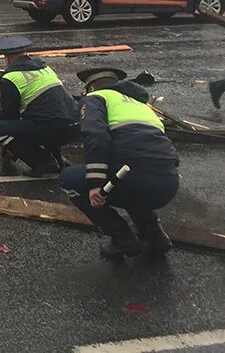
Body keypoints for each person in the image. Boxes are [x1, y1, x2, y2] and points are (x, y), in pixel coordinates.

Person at [60, 68, 180, 260]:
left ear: (90, 87)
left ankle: (121, 238)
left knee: (69, 179)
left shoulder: (96, 98)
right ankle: (154, 234)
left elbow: (96, 136)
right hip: (168, 183)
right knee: (127, 175)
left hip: (134, 178)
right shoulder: (140, 105)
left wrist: (95, 184)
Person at [0, 36, 80, 177]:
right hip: (75, 125)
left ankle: (43, 162)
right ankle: (56, 159)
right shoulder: (45, 68)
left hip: (53, 129)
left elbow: (9, 113)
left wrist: (7, 144)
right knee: (43, 117)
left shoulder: (11, 78)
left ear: (7, 58)